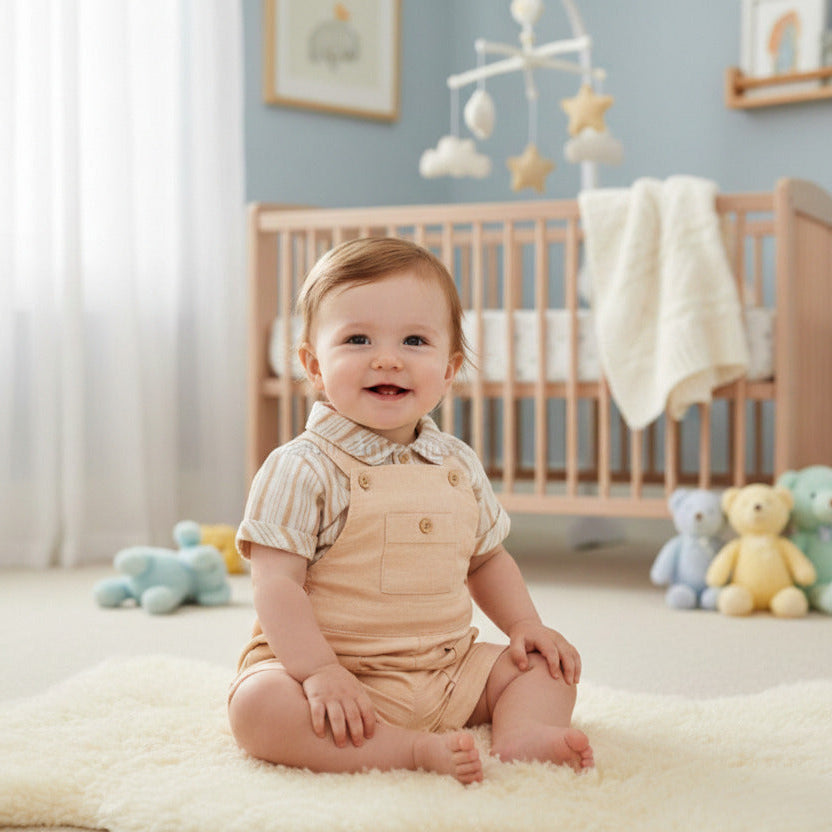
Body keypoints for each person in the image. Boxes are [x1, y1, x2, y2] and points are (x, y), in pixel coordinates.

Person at [228, 237, 594, 784]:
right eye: (357, 339)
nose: (388, 358)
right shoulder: (301, 468)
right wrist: (319, 671)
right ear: (314, 366)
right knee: (258, 710)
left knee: (548, 665)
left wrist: (525, 625)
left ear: (448, 371)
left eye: (414, 340)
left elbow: (487, 560)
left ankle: (522, 736)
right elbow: (275, 586)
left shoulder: (457, 462)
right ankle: (407, 751)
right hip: (331, 671)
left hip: (446, 670)